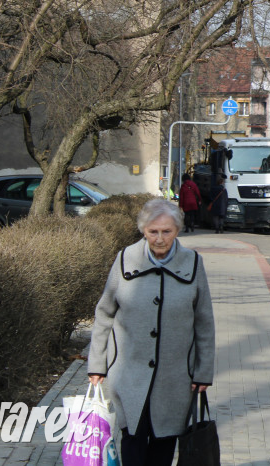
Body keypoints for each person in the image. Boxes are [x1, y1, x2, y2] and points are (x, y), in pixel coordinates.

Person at [87, 199, 215, 466]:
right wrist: (97, 365)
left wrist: (203, 371)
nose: (159, 238)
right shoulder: (125, 259)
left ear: (177, 230)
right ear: (143, 230)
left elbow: (204, 321)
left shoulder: (192, 263)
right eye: (153, 231)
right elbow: (104, 313)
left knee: (164, 444)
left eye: (166, 231)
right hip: (128, 372)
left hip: (175, 376)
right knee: (132, 440)